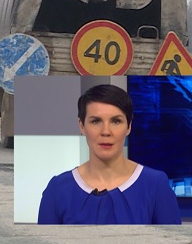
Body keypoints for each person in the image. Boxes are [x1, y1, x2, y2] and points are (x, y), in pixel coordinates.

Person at [37, 84, 182, 225]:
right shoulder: (58, 189)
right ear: (82, 126)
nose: (106, 131)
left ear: (129, 127)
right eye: (96, 121)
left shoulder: (155, 185)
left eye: (116, 121)